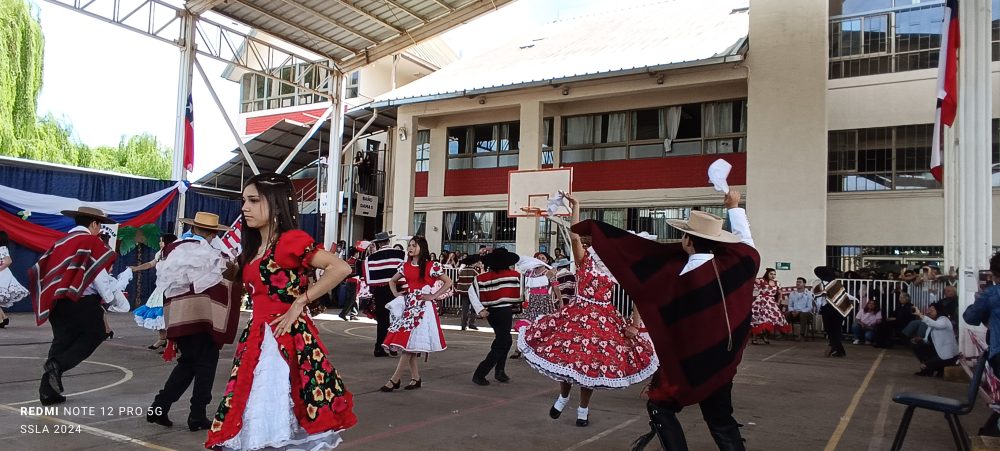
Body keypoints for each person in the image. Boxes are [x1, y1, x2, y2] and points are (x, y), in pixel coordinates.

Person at [589, 189, 755, 451]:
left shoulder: (679, 276)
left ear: (687, 241)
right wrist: (734, 206)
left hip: (689, 364)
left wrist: (598, 237)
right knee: (720, 419)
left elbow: (635, 262)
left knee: (660, 407)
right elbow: (746, 241)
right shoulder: (741, 263)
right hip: (725, 360)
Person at [205, 173, 357, 450]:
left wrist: (300, 302)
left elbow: (341, 268)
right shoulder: (252, 249)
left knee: (273, 404)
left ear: (275, 204)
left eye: (253, 200)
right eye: (243, 201)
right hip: (258, 336)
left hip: (284, 337)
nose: (244, 208)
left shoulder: (290, 240)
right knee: (255, 405)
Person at [518, 193, 657, 428]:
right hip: (577, 313)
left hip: (603, 319)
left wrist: (634, 324)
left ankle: (583, 408)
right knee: (565, 359)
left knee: (591, 366)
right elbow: (573, 237)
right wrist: (577, 208)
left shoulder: (618, 266)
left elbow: (639, 294)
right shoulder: (586, 259)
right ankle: (563, 396)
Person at [147, 212, 240, 431]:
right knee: (206, 365)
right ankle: (197, 415)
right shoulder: (213, 254)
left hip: (177, 316)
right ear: (214, 232)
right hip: (202, 318)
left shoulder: (173, 249)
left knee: (188, 362)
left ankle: (159, 407)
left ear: (193, 228)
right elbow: (228, 279)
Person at [30, 206, 117, 406]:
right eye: (100, 226)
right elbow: (98, 275)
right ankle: (57, 365)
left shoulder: (60, 242)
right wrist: (110, 299)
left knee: (61, 342)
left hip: (56, 302)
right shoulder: (90, 241)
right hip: (81, 300)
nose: (100, 230)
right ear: (93, 224)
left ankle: (48, 393)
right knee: (96, 334)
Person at [381, 236, 454, 391]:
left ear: (422, 247)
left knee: (408, 345)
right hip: (410, 306)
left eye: (414, 245)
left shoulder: (431, 265)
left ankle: (395, 379)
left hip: (424, 309)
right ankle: (415, 378)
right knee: (410, 344)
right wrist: (397, 294)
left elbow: (448, 282)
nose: (410, 248)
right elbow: (392, 281)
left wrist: (433, 296)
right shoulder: (405, 266)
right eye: (409, 245)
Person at [468, 248, 522, 385]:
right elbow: (521, 292)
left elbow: (471, 291)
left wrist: (480, 310)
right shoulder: (514, 275)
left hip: (491, 312)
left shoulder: (482, 277)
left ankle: (500, 371)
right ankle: (480, 373)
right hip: (504, 312)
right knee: (501, 343)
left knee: (506, 340)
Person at [131, 233, 178, 350]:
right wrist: (137, 268)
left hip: (172, 288)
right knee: (158, 314)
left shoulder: (176, 255)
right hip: (160, 288)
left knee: (169, 316)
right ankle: (162, 339)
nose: (159, 243)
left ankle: (173, 344)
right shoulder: (160, 254)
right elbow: (151, 264)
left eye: (161, 241)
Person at [362, 231, 405, 357]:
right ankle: (392, 347)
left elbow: (366, 275)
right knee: (396, 320)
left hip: (379, 292)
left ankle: (379, 347)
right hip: (395, 290)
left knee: (382, 321)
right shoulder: (400, 254)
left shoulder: (371, 258)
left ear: (379, 243)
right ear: (388, 241)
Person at [510, 254, 561, 359]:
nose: (540, 260)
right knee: (525, 326)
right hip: (532, 303)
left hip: (545, 303)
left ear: (547, 261)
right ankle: (518, 348)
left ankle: (545, 350)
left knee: (545, 327)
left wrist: (560, 301)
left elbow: (556, 287)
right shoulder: (529, 272)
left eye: (543, 258)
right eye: (538, 258)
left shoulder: (549, 272)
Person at [911, 303, 958, 377]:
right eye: (929, 310)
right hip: (938, 351)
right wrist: (921, 339)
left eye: (932, 310)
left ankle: (935, 368)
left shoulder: (944, 320)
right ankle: (932, 368)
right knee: (918, 345)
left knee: (925, 366)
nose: (929, 312)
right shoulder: (934, 322)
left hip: (948, 355)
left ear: (938, 311)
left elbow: (937, 325)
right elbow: (928, 339)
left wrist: (920, 314)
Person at [814, 267, 848, 358]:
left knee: (834, 330)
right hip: (829, 309)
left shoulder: (834, 284)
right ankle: (839, 349)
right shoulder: (824, 285)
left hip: (835, 309)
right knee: (831, 330)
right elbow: (818, 298)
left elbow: (842, 296)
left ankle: (834, 346)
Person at [751, 268, 790, 344]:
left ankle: (765, 336)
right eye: (771, 274)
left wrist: (778, 302)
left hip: (771, 303)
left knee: (773, 319)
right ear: (767, 274)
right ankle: (754, 338)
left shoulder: (777, 283)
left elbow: (780, 293)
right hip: (761, 302)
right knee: (758, 319)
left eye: (774, 274)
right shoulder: (762, 280)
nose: (773, 275)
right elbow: (753, 280)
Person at [0, 231, 29, 327]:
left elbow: (8, 261)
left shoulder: (2, 248)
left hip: (2, 275)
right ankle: (4, 318)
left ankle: (1, 320)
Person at [454, 254, 482, 331]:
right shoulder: (474, 270)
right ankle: (471, 323)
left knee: (465, 309)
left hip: (464, 293)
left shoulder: (463, 270)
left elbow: (460, 280)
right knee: (474, 309)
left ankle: (463, 324)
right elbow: (479, 280)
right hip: (473, 293)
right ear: (474, 262)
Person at [785, 277, 815, 341]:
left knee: (802, 314)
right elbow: (790, 306)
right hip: (794, 313)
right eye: (797, 282)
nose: (798, 283)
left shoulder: (809, 293)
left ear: (804, 284)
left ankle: (802, 335)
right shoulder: (792, 293)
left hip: (806, 314)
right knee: (786, 314)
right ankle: (783, 333)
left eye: (800, 282)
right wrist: (793, 311)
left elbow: (809, 307)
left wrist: (799, 311)